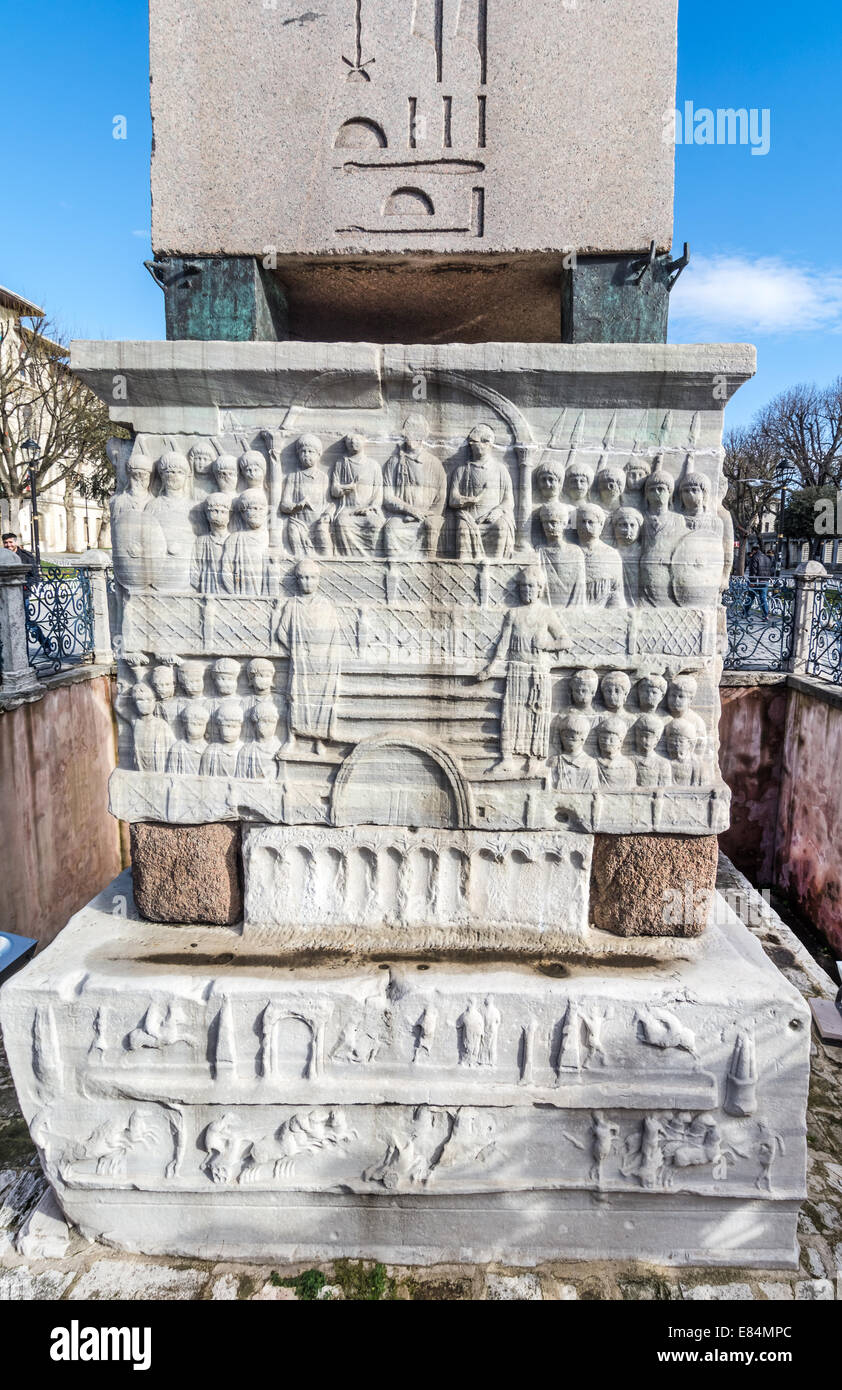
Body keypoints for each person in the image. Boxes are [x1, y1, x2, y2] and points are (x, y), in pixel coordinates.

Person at [476, 566, 571, 776]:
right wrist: (490, 668)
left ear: (539, 589)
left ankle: (534, 759)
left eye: (531, 586)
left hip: (538, 672)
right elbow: (503, 645)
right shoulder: (513, 613)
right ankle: (507, 758)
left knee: (536, 716)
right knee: (510, 715)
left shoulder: (546, 614)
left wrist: (547, 644)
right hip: (517, 670)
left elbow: (566, 640)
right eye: (523, 586)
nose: (526, 590)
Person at [275, 559, 343, 756]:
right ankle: (291, 739)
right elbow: (281, 632)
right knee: (295, 699)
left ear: (318, 580)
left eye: (312, 578)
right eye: (303, 578)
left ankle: (319, 740)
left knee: (321, 701)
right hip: (301, 662)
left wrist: (328, 658)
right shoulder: (292, 605)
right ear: (297, 580)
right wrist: (295, 650)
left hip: (322, 662)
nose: (307, 582)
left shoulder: (326, 605)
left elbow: (334, 634)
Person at [747, 544, 774, 619]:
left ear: (754, 551)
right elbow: (771, 570)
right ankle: (765, 615)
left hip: (756, 581)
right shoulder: (767, 558)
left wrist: (752, 581)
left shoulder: (755, 557)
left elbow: (753, 571)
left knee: (750, 597)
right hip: (765, 581)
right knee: (763, 598)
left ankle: (744, 612)